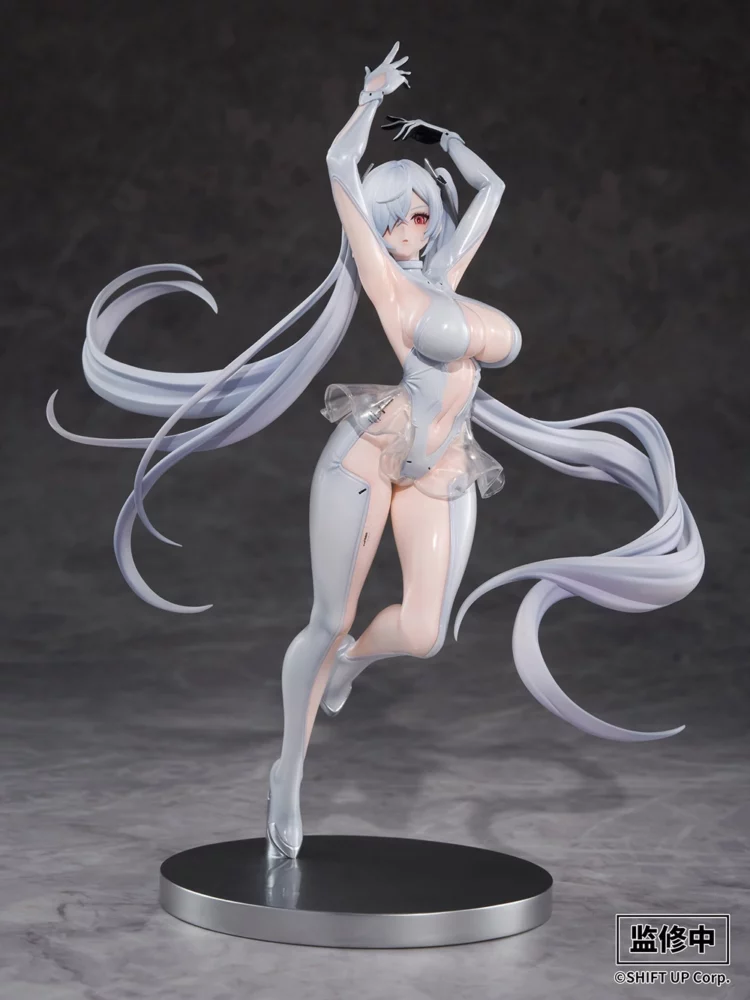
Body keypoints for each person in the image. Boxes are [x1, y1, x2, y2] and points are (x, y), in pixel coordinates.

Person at [47, 43, 705, 861]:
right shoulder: (386, 282)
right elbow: (337, 167)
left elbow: (493, 190)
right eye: (391, 218)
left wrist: (443, 139)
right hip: (371, 451)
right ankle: (288, 774)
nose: (404, 230)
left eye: (418, 215)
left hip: (445, 461)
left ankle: (354, 666)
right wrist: (367, 103)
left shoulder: (446, 272)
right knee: (328, 617)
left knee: (425, 633)